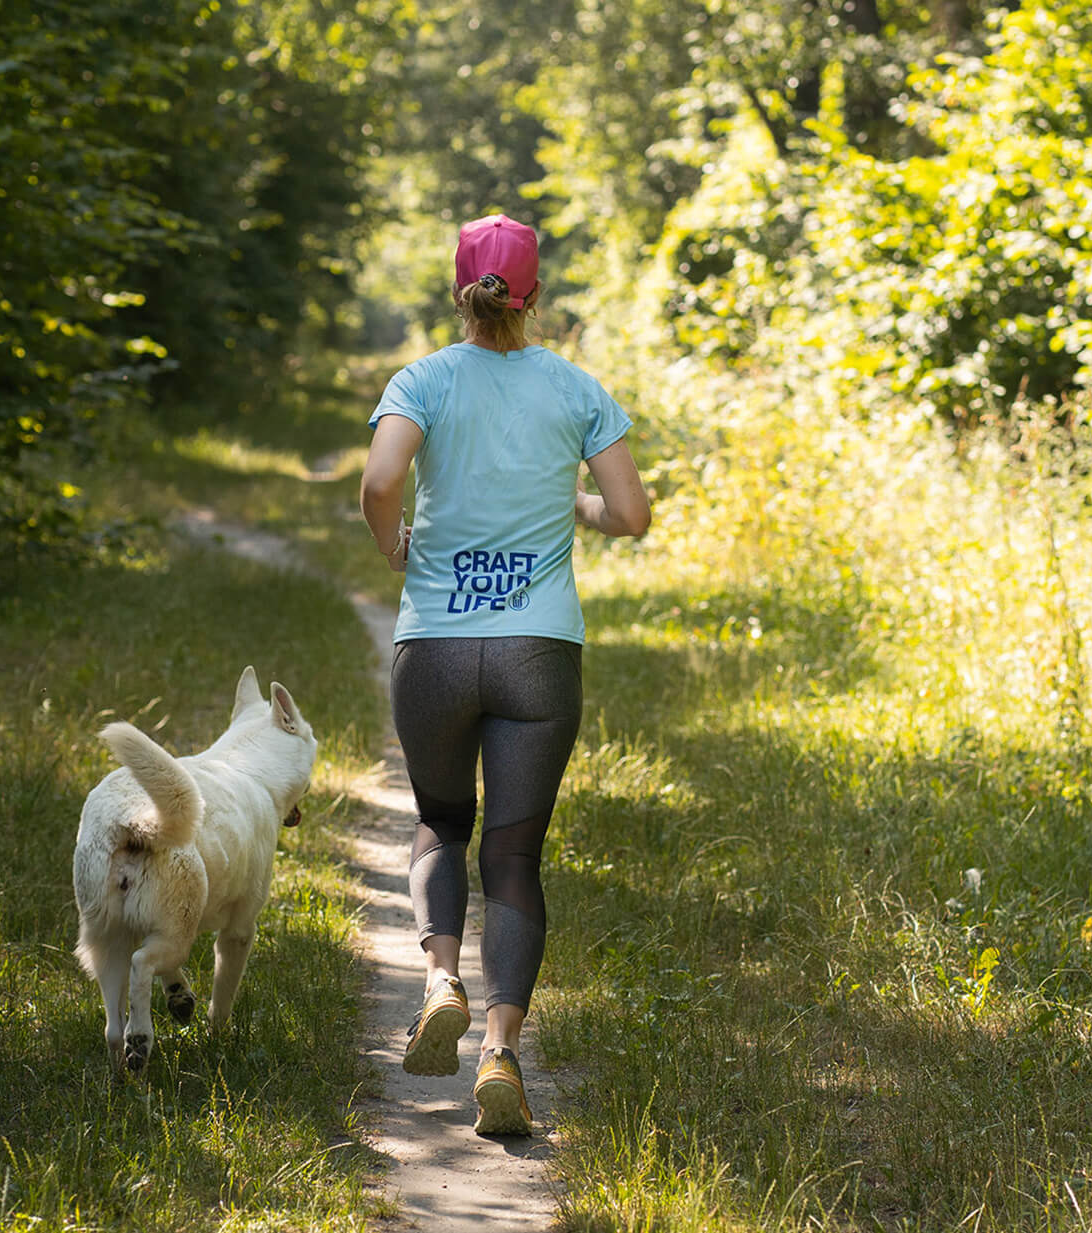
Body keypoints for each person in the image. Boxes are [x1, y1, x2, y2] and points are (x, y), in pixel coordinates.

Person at [360, 213, 650, 1136]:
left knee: (441, 822)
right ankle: (499, 1052)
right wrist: (571, 502)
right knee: (514, 857)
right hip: (538, 655)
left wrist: (394, 547)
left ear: (459, 288)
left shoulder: (424, 379)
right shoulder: (574, 388)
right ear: (534, 294)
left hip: (437, 647)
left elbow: (378, 483)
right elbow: (632, 513)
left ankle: (440, 979)